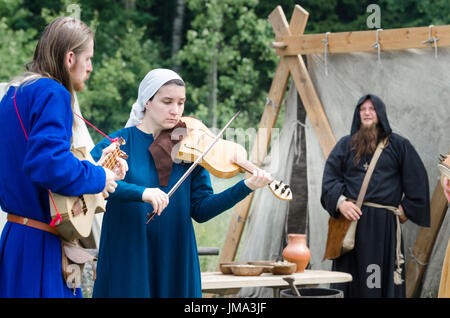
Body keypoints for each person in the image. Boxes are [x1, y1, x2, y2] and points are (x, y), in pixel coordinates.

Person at [91, 68, 272, 298]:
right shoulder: (119, 143)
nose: (175, 111)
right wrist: (142, 192)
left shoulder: (187, 147)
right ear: (147, 101)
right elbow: (92, 179)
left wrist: (245, 187)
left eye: (181, 102)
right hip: (129, 251)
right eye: (167, 101)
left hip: (175, 253)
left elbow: (201, 209)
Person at [0, 17, 127, 298]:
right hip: (41, 247)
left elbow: (32, 161)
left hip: (15, 238)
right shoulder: (53, 92)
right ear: (70, 58)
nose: (91, 67)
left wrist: (91, 166)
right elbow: (48, 164)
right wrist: (99, 176)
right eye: (89, 58)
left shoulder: (12, 94)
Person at [320, 94, 430, 298]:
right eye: (363, 109)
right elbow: (329, 180)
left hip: (382, 229)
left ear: (380, 114)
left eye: (372, 109)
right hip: (349, 226)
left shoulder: (398, 146)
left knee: (376, 280)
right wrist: (341, 202)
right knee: (348, 280)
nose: (367, 113)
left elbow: (418, 181)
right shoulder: (345, 145)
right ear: (358, 114)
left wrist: (406, 209)